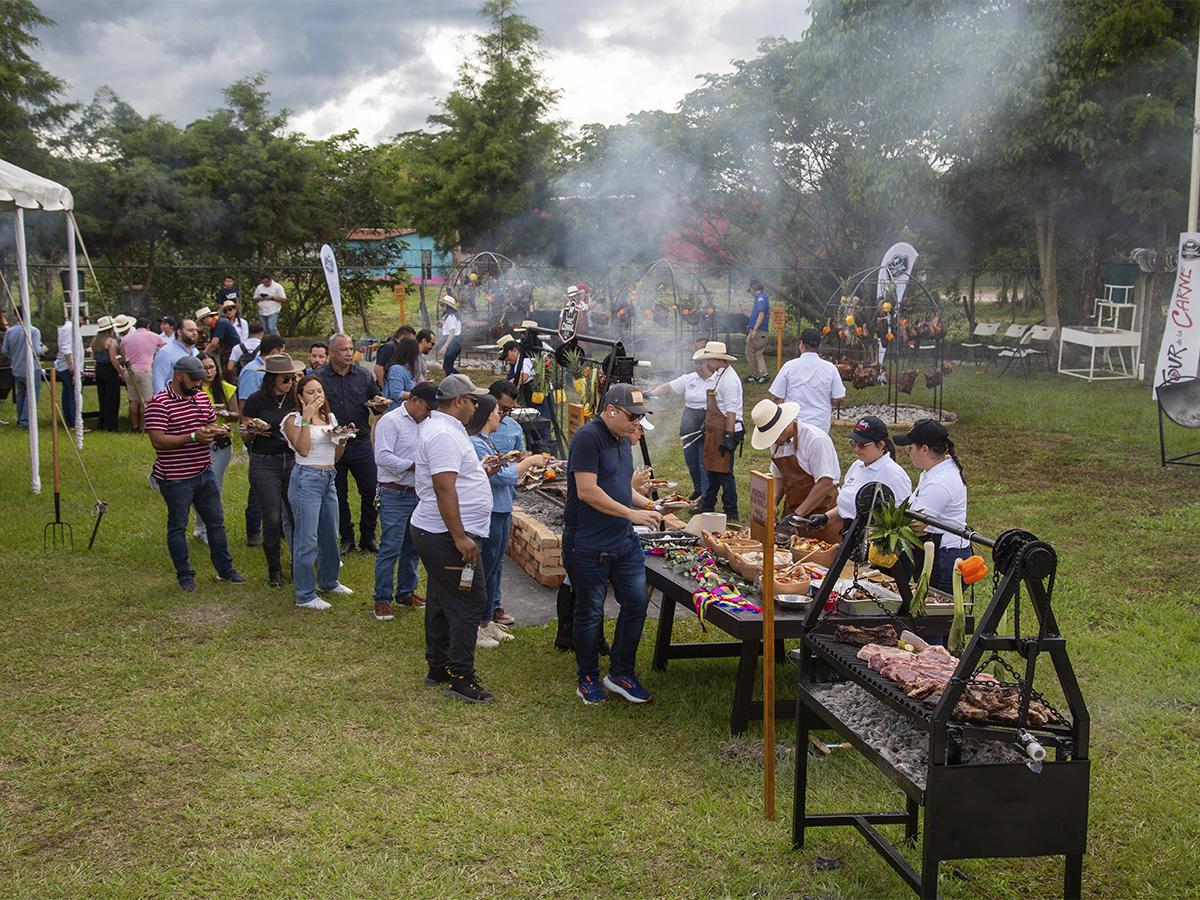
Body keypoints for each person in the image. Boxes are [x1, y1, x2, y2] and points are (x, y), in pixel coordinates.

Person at [564, 383, 663, 706]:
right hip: (589, 543)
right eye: (632, 416)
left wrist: (648, 508)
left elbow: (619, 488)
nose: (637, 423)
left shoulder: (622, 440)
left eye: (640, 417)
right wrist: (631, 513)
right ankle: (587, 677)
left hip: (623, 541)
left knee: (636, 603)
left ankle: (620, 672)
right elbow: (588, 492)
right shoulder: (587, 439)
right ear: (611, 410)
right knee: (590, 612)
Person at [410, 374, 495, 703]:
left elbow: (452, 479)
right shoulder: (444, 433)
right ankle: (460, 676)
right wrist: (459, 537)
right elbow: (444, 488)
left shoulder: (445, 429)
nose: (477, 405)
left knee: (442, 597)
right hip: (446, 535)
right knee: (469, 600)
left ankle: (438, 665)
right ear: (459, 401)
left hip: (440, 531)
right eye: (473, 400)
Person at [145, 355, 246, 591]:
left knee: (216, 522)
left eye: (201, 381)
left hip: (204, 471)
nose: (198, 385)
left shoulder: (200, 397)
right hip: (176, 476)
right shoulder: (160, 403)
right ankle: (185, 576)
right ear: (179, 375)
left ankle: (225, 569)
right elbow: (158, 441)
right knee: (178, 526)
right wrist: (192, 437)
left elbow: (208, 423)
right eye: (194, 380)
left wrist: (217, 430)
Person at [467, 393, 549, 647]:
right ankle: (474, 624)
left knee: (495, 568)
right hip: (490, 511)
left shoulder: (486, 441)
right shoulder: (475, 443)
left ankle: (486, 619)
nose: (499, 416)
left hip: (502, 508)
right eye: (496, 412)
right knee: (484, 569)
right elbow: (499, 477)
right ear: (485, 414)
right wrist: (530, 462)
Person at [282, 375, 353, 609]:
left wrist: (341, 441)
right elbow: (302, 449)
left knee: (330, 534)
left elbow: (335, 457)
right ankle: (305, 594)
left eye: (319, 392)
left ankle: (329, 581)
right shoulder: (292, 420)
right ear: (300, 397)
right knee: (307, 538)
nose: (317, 396)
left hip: (328, 477)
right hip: (306, 479)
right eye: (311, 393)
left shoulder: (330, 418)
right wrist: (306, 418)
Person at [372, 381, 439, 621]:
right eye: (427, 408)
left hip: (418, 492)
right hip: (394, 492)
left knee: (413, 546)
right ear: (414, 401)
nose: (428, 414)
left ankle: (406, 592)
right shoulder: (390, 421)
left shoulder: (427, 422)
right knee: (390, 546)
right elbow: (382, 456)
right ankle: (382, 598)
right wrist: (413, 466)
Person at [315, 333, 383, 554]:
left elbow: (376, 402)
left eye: (350, 349)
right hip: (333, 443)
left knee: (371, 490)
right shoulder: (320, 378)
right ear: (332, 352)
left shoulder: (364, 375)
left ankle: (368, 536)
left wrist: (379, 405)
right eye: (343, 349)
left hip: (361, 441)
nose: (348, 353)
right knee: (338, 492)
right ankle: (346, 537)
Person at [242, 354, 303, 587]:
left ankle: (298, 564)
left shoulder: (294, 399)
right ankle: (274, 570)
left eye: (291, 378)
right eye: (285, 379)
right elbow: (245, 432)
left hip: (290, 459)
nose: (290, 383)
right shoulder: (257, 400)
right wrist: (252, 431)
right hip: (264, 461)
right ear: (272, 379)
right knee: (272, 517)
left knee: (296, 514)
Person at [802, 416, 912, 544]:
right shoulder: (857, 465)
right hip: (848, 537)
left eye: (862, 444)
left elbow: (900, 522)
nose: (857, 449)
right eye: (854, 442)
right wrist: (826, 517)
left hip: (874, 545)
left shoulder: (895, 476)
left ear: (881, 445)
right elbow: (852, 504)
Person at [895, 419, 970, 592]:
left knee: (937, 614)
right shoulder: (934, 470)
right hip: (937, 552)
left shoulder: (939, 482)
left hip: (945, 559)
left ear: (925, 449)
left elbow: (918, 525)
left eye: (910, 448)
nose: (908, 453)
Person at [748, 398, 840, 522]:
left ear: (784, 425)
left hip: (823, 512)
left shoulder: (815, 440)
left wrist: (798, 514)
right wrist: (773, 503)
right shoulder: (777, 443)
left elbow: (825, 483)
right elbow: (778, 477)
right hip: (793, 508)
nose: (773, 441)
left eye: (773, 435)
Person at [648, 352, 716, 504]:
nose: (698, 367)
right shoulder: (690, 378)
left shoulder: (717, 380)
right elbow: (669, 387)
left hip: (708, 419)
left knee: (703, 460)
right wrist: (649, 394)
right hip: (690, 419)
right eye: (696, 363)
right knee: (690, 458)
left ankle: (705, 496)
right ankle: (698, 489)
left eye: (701, 363)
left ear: (709, 364)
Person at [486, 380, 527, 627]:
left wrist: (525, 463)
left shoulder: (513, 427)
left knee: (498, 558)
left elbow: (521, 454)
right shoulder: (475, 433)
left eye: (510, 410)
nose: (505, 415)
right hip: (484, 505)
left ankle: (494, 605)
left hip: (505, 502)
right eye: (501, 409)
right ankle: (481, 611)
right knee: (485, 561)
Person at [694, 341, 745, 522]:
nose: (705, 363)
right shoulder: (719, 375)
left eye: (708, 359)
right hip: (715, 429)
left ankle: (731, 511)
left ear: (717, 360)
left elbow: (731, 412)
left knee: (723, 473)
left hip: (726, 429)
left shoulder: (729, 380)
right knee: (711, 471)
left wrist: (728, 437)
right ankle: (707, 507)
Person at [192, 352, 237, 544]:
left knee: (214, 487)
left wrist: (224, 412)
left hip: (220, 443)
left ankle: (208, 528)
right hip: (199, 443)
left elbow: (236, 414)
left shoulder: (226, 388)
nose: (209, 372)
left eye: (212, 367)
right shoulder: (193, 391)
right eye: (204, 368)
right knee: (197, 487)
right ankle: (199, 524)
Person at [769, 328, 846, 433]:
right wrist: (827, 401)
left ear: (801, 344)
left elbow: (777, 397)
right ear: (819, 346)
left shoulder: (789, 366)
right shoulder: (830, 368)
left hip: (793, 425)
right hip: (820, 426)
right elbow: (839, 396)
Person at [121, 318, 165, 431]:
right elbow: (165, 348)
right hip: (145, 370)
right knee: (146, 401)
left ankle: (134, 426)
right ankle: (143, 426)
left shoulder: (125, 338)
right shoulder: (153, 336)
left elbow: (123, 354)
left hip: (130, 371)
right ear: (148, 326)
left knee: (133, 400)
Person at [1, 306, 42, 430]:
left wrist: (14, 356)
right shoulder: (33, 331)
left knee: (20, 394)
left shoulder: (10, 331)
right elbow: (36, 350)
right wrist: (43, 349)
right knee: (31, 396)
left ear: (15, 316)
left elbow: (4, 350)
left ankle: (21, 419)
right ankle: (25, 421)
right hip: (31, 368)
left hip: (17, 368)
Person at [92, 315, 129, 432]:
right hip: (109, 370)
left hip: (99, 368)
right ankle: (111, 424)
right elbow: (113, 359)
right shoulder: (111, 342)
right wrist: (120, 371)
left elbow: (94, 356)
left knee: (102, 397)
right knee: (112, 398)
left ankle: (102, 421)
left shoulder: (96, 341)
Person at [151, 318, 199, 394]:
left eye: (196, 330)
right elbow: (158, 379)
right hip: (172, 401)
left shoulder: (196, 352)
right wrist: (163, 401)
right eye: (190, 330)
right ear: (179, 332)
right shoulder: (165, 352)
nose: (195, 333)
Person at [53, 315, 78, 428]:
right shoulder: (69, 328)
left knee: (67, 392)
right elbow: (67, 348)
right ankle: (73, 421)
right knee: (72, 393)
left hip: (64, 366)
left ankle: (69, 419)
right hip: (67, 367)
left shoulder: (66, 328)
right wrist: (71, 366)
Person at [745, 278, 771, 384]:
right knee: (756, 353)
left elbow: (761, 314)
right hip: (760, 330)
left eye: (750, 290)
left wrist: (754, 329)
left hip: (759, 331)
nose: (750, 292)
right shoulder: (761, 298)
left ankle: (757, 374)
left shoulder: (761, 298)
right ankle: (759, 374)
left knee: (751, 352)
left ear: (753, 288)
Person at [383, 336, 420, 410]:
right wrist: (418, 395)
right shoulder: (396, 369)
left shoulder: (407, 369)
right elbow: (397, 393)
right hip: (396, 410)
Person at [437, 296, 462, 375]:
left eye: (442, 305)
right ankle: (455, 380)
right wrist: (442, 325)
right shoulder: (450, 316)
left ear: (447, 306)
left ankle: (460, 379)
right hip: (454, 342)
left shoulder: (450, 317)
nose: (441, 307)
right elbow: (448, 329)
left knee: (447, 366)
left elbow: (452, 333)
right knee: (447, 366)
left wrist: (445, 347)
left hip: (453, 342)